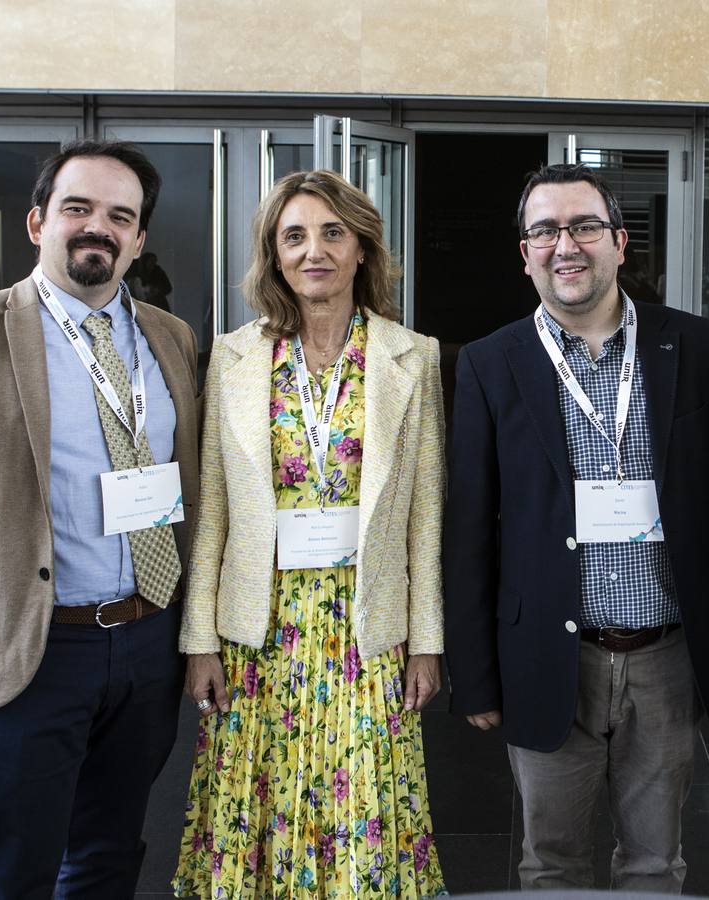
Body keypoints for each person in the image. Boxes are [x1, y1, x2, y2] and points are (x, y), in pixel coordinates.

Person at [0, 139, 200, 897]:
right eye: (77, 208)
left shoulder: (169, 337)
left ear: (139, 238)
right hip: (30, 649)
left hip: (146, 644)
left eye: (121, 216)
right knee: (10, 871)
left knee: (109, 853)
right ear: (37, 222)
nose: (98, 228)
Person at [443, 163, 709, 892]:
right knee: (549, 865)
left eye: (582, 226)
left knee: (655, 862)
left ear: (617, 242)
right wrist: (476, 676)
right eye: (544, 230)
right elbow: (468, 530)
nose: (564, 244)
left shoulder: (694, 344)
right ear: (524, 253)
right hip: (547, 655)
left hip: (665, 657)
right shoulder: (489, 363)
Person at [172, 169, 447, 897]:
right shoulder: (231, 358)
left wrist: (427, 641)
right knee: (254, 805)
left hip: (366, 629)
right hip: (258, 632)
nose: (313, 250)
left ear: (362, 249)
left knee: (366, 810)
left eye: (333, 232)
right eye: (293, 235)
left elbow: (425, 514)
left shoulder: (412, 356)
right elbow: (214, 515)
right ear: (273, 253)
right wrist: (198, 637)